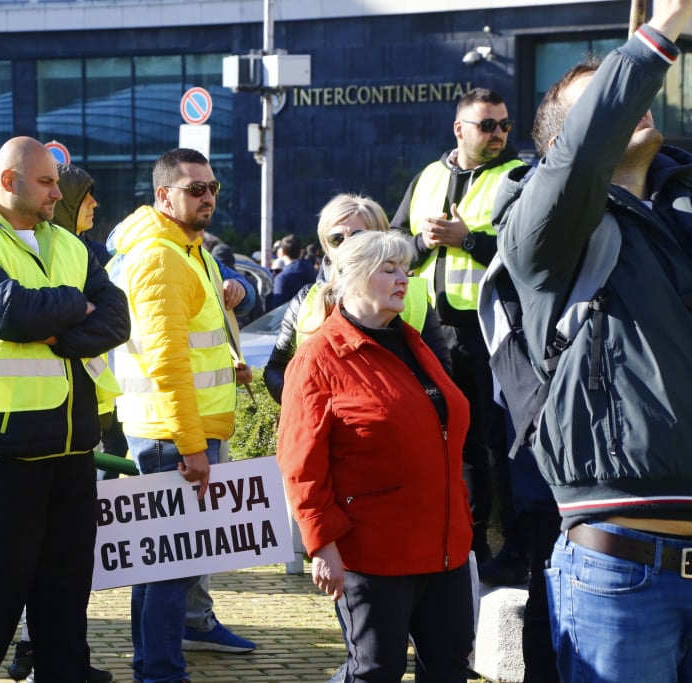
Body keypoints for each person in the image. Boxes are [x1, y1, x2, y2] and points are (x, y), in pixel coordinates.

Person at [489, 3, 692, 679]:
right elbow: (579, 160)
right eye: (605, 97)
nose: (631, 100)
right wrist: (654, 40)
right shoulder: (538, 235)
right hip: (620, 570)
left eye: (629, 88)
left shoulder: (680, 213)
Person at [0, 136, 130, 683]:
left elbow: (117, 318)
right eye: (46, 182)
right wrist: (72, 304)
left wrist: (57, 332)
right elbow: (5, 311)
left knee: (65, 608)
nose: (57, 192)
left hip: (72, 450)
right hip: (5, 448)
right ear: (9, 181)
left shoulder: (65, 243)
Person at [276, 229, 474, 683]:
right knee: (375, 671)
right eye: (389, 269)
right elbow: (300, 462)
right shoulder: (320, 358)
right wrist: (322, 545)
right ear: (354, 277)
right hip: (373, 552)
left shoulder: (412, 341)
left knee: (449, 668)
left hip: (444, 546)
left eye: (405, 268)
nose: (403, 278)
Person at [108, 147, 256, 683]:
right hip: (173, 436)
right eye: (196, 189)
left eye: (213, 188)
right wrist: (192, 445)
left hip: (176, 430)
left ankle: (153, 665)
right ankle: (162, 672)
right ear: (163, 194)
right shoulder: (161, 256)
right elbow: (165, 360)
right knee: (174, 566)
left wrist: (230, 364)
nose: (209, 197)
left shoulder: (185, 249)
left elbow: (190, 345)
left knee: (160, 565)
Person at [391, 86, 526, 567]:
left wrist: (468, 241)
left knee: (500, 443)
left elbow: (527, 254)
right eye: (488, 125)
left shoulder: (518, 174)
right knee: (455, 442)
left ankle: (513, 547)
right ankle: (465, 546)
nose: (499, 134)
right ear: (459, 128)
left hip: (493, 331)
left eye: (505, 125)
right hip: (432, 332)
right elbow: (395, 244)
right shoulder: (428, 175)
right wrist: (424, 243)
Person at [264, 193, 450, 405]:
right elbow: (275, 369)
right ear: (326, 244)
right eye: (337, 239)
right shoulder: (307, 298)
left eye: (358, 236)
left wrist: (392, 411)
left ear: (383, 240)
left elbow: (440, 377)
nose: (346, 246)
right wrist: (307, 403)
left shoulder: (412, 296)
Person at [268, 233, 317, 310]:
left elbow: (277, 310)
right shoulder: (311, 269)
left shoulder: (281, 278)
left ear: (282, 252)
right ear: (300, 251)